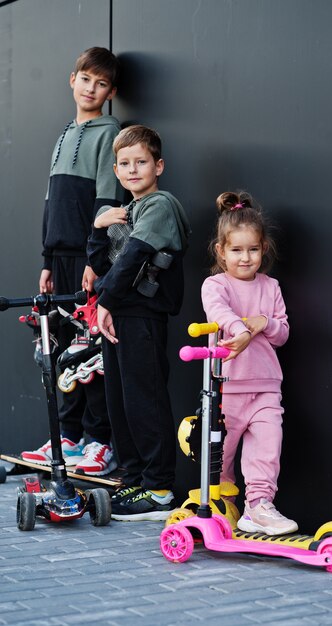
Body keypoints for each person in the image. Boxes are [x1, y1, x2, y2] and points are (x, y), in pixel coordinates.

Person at [22, 47, 125, 476]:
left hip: (88, 259)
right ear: (72, 80)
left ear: (111, 92)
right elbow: (52, 200)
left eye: (101, 84)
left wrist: (94, 256)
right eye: (86, 79)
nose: (91, 88)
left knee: (92, 351)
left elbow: (107, 197)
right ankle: (66, 436)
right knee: (65, 350)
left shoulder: (110, 131)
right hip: (60, 257)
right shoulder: (65, 133)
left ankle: (98, 442)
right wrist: (47, 258)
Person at [87, 124, 191, 521]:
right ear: (115, 170)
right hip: (117, 313)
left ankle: (159, 488)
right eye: (125, 164)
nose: (133, 170)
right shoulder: (121, 210)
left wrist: (106, 302)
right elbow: (103, 265)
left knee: (145, 399)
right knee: (120, 400)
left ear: (158, 165)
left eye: (141, 162)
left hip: (142, 315)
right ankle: (135, 479)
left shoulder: (158, 204)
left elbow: (134, 256)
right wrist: (98, 229)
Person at [201, 191, 298, 535]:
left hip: (266, 386)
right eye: (237, 250)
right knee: (220, 460)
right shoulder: (215, 284)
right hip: (227, 390)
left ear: (264, 249)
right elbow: (219, 313)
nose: (246, 258)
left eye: (253, 250)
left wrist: (261, 323)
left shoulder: (270, 287)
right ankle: (220, 504)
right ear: (221, 251)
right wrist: (242, 328)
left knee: (267, 450)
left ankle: (258, 506)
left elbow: (281, 332)